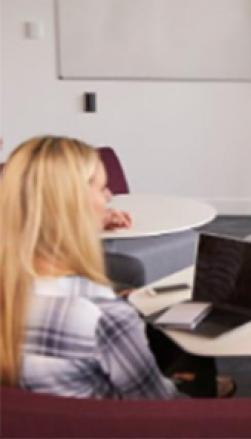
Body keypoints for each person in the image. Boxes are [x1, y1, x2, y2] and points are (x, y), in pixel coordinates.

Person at [0, 136, 178, 399]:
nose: (109, 196)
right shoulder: (102, 315)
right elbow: (155, 408)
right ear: (72, 205)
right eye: (102, 188)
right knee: (190, 363)